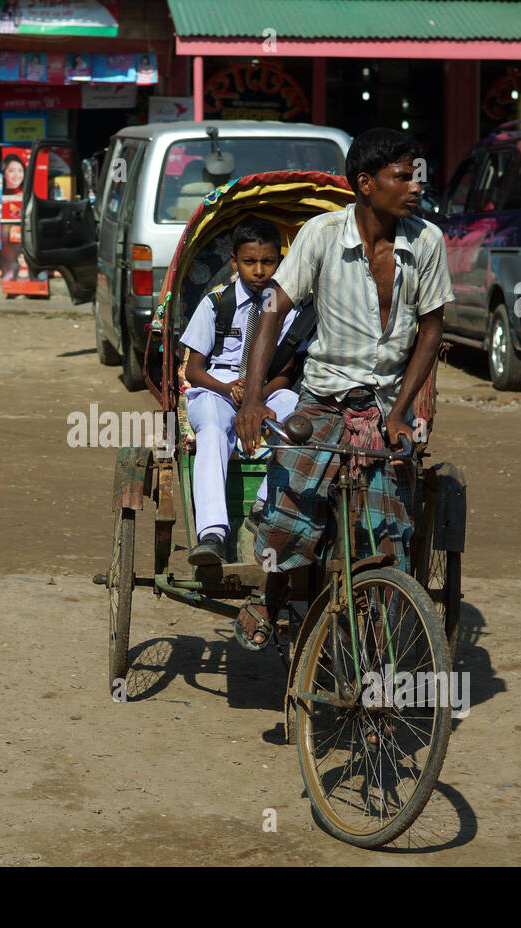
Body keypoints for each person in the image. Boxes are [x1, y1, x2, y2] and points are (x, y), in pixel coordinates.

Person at [233, 128, 453, 650]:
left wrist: (400, 412)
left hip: (385, 406)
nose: (415, 185)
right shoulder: (322, 235)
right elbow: (272, 312)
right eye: (402, 176)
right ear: (365, 184)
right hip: (323, 399)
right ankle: (268, 595)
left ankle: (375, 666)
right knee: (289, 509)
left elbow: (432, 331)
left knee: (386, 536)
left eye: (416, 174)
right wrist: (251, 398)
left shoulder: (427, 242)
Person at [181, 218, 308, 566]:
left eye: (268, 262)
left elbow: (286, 372)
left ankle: (264, 506)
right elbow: (193, 369)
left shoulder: (288, 309)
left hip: (266, 391)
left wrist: (258, 394)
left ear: (279, 262)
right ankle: (213, 533)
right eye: (250, 262)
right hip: (217, 389)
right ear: (234, 262)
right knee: (210, 424)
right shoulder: (215, 303)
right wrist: (228, 388)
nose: (259, 271)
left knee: (298, 414)